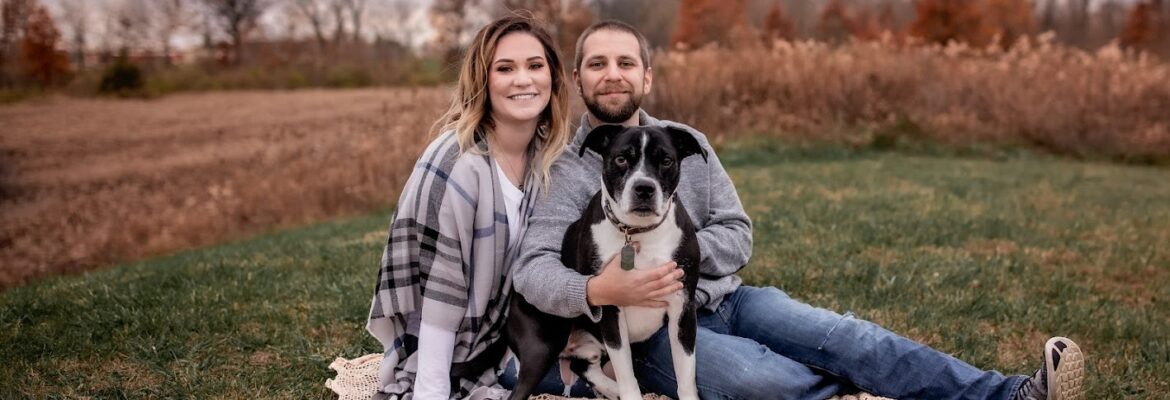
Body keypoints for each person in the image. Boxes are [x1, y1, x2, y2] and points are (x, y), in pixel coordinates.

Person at [511, 20, 1086, 400]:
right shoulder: (569, 165)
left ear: (647, 75)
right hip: (648, 329)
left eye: (626, 62)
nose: (613, 74)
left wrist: (677, 255)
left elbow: (737, 231)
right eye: (597, 64)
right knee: (767, 382)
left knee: (850, 337)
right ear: (578, 79)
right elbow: (534, 268)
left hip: (728, 297)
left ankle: (1013, 394)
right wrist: (598, 291)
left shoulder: (685, 142)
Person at [365, 15, 573, 400]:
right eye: (505, 68)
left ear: (553, 77)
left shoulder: (547, 158)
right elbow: (437, 295)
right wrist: (432, 389)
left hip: (507, 340)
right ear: (483, 80)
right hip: (446, 349)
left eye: (535, 66)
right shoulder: (455, 164)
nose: (523, 80)